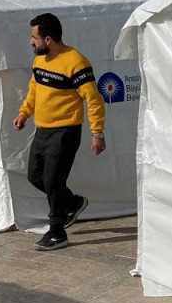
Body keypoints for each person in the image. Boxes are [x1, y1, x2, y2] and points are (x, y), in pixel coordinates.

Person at [13, 13, 106, 251]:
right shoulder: (40, 60)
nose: (30, 42)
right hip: (42, 130)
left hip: (65, 132)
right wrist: (24, 113)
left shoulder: (76, 62)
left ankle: (57, 233)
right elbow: (35, 89)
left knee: (53, 182)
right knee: (36, 176)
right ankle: (73, 202)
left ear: (48, 39)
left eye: (34, 37)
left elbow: (94, 100)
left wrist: (98, 133)